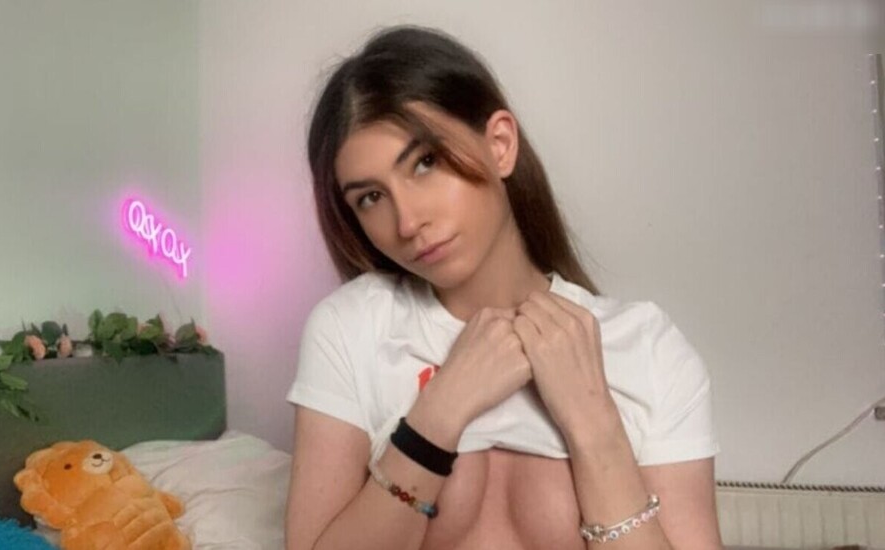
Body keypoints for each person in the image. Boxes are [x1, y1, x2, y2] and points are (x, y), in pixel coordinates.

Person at [285, 25, 723, 550]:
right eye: (371, 198)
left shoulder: (647, 349)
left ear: (500, 145)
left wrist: (595, 426)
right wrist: (436, 417)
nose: (407, 221)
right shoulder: (352, 329)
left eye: (425, 162)